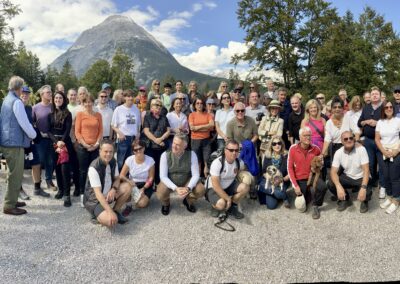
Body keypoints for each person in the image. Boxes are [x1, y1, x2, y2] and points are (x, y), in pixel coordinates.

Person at [0, 76, 37, 215]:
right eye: (22, 87)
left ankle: (13, 199)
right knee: (16, 175)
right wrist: (34, 135)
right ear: (18, 87)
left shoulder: (6, 100)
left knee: (12, 174)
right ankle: (9, 205)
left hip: (6, 142)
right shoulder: (17, 102)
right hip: (14, 144)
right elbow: (24, 123)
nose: (23, 89)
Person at [83, 139, 130, 227]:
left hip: (108, 194)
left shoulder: (113, 162)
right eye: (106, 151)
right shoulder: (94, 168)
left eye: (111, 152)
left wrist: (113, 189)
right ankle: (95, 215)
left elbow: (117, 178)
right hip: (95, 200)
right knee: (110, 222)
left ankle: (115, 210)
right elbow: (98, 194)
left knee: (127, 187)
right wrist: (109, 212)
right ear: (100, 151)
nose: (108, 154)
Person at [156, 134, 205, 215]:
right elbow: (163, 176)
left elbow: (196, 175)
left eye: (178, 145)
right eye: (174, 143)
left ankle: (188, 201)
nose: (174, 146)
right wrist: (175, 188)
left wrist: (188, 188)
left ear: (185, 146)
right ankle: (166, 204)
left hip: (186, 181)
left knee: (200, 190)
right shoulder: (165, 155)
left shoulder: (192, 154)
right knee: (161, 192)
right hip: (171, 181)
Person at [287, 126, 327, 219]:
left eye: (309, 135)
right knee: (302, 204)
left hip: (312, 176)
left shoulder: (316, 148)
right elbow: (289, 168)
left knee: (323, 187)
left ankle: (316, 205)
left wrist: (318, 166)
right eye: (305, 136)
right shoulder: (293, 149)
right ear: (300, 137)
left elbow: (322, 163)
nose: (308, 138)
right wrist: (295, 186)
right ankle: (306, 193)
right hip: (300, 178)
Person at [206, 139, 249, 218]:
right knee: (221, 204)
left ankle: (232, 206)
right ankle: (214, 205)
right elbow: (216, 186)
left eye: (236, 150)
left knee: (245, 187)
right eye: (231, 150)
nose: (234, 152)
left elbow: (243, 169)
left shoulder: (239, 162)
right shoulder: (217, 163)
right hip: (214, 188)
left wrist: (242, 176)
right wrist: (227, 199)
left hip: (229, 186)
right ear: (225, 150)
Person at [328, 131, 370, 213]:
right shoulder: (338, 152)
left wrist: (363, 187)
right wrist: (338, 186)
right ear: (342, 141)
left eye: (351, 138)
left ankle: (365, 201)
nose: (349, 140)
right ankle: (345, 199)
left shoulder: (361, 149)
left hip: (361, 177)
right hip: (348, 176)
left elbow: (366, 170)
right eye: (346, 139)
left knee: (368, 190)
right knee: (331, 183)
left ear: (354, 139)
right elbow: (333, 172)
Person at [20, 86, 49, 199]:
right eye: (23, 93)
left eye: (27, 93)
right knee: (19, 167)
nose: (25, 95)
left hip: (31, 142)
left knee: (36, 164)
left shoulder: (29, 108)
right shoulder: (16, 107)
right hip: (20, 143)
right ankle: (19, 189)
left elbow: (32, 124)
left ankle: (37, 188)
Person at [75, 95, 103, 206]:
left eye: (90, 102)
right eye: (85, 102)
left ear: (93, 103)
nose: (88, 104)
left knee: (95, 171)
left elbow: (101, 131)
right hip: (83, 147)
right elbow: (77, 132)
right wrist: (85, 144)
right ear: (82, 104)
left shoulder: (98, 115)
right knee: (83, 171)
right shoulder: (80, 115)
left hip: (95, 147)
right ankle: (83, 195)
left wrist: (96, 144)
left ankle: (94, 194)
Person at [47, 91, 73, 207]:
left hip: (65, 143)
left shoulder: (68, 113)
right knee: (57, 168)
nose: (58, 100)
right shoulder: (50, 114)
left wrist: (61, 142)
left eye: (60, 98)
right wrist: (56, 143)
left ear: (64, 100)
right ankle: (61, 190)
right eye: (56, 98)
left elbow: (67, 130)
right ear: (53, 100)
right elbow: (48, 131)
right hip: (54, 143)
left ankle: (67, 195)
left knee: (65, 169)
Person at [375, 99, 400, 214]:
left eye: (391, 107)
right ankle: (389, 197)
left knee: (395, 177)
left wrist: (396, 150)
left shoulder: (398, 121)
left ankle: (396, 200)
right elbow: (377, 139)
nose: (389, 109)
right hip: (383, 152)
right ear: (383, 109)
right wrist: (383, 152)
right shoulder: (380, 122)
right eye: (386, 107)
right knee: (386, 176)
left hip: (396, 151)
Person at [119, 141, 155, 216]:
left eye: (140, 148)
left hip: (145, 184)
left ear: (144, 148)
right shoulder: (129, 160)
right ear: (133, 151)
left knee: (142, 204)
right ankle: (128, 205)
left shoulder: (150, 160)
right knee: (126, 188)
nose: (138, 151)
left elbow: (151, 177)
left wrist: (144, 188)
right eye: (135, 150)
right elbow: (121, 175)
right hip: (133, 183)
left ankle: (139, 198)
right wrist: (129, 181)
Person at [358, 87, 383, 191]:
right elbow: (359, 122)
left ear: (380, 96)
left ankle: (382, 183)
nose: (374, 95)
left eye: (376, 94)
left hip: (381, 140)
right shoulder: (366, 108)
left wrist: (377, 123)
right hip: (368, 141)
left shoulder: (385, 107)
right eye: (372, 94)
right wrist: (366, 122)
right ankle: (373, 182)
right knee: (371, 163)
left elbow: (389, 122)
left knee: (382, 163)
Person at [33, 85, 57, 191]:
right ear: (42, 94)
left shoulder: (54, 107)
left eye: (50, 92)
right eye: (48, 92)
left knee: (50, 160)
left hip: (52, 139)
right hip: (40, 139)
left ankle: (49, 181)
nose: (50, 94)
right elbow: (32, 123)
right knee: (40, 160)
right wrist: (38, 134)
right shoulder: (35, 107)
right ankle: (38, 182)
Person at [112, 90, 141, 171]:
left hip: (134, 139)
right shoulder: (119, 109)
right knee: (121, 162)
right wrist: (120, 133)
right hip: (123, 139)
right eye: (128, 96)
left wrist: (138, 134)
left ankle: (129, 180)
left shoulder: (136, 109)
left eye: (132, 96)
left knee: (132, 161)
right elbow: (113, 125)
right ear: (124, 97)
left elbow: (138, 125)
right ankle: (120, 181)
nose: (130, 98)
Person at [142, 98, 170, 184]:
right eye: (156, 105)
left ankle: (158, 183)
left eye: (160, 105)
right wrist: (156, 140)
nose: (158, 107)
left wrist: (161, 139)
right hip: (150, 146)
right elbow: (146, 131)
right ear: (151, 106)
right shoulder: (147, 117)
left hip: (161, 145)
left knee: (160, 165)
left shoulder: (164, 118)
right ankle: (149, 183)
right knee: (151, 165)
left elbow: (168, 130)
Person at [258, 136, 290, 209]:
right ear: (271, 145)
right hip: (270, 180)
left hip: (282, 181)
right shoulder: (267, 155)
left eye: (279, 143)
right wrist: (271, 179)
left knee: (277, 193)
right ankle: (280, 195)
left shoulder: (286, 155)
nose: (277, 145)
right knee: (271, 206)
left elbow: (289, 173)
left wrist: (281, 180)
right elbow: (263, 171)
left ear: (282, 144)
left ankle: (280, 195)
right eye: (274, 144)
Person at [188, 97, 214, 176]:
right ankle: (197, 180)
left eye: (201, 103)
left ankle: (206, 179)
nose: (199, 105)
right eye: (197, 103)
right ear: (194, 105)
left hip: (206, 140)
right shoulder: (191, 115)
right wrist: (206, 127)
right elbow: (192, 128)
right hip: (195, 141)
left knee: (207, 161)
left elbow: (212, 125)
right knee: (197, 161)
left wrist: (197, 128)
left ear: (203, 105)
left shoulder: (208, 115)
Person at [321, 97, 348, 170]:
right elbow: (327, 139)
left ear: (343, 108)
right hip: (335, 149)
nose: (337, 109)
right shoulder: (329, 123)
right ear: (332, 109)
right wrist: (322, 154)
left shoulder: (348, 118)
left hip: (348, 147)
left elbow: (356, 132)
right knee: (337, 170)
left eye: (339, 107)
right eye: (335, 107)